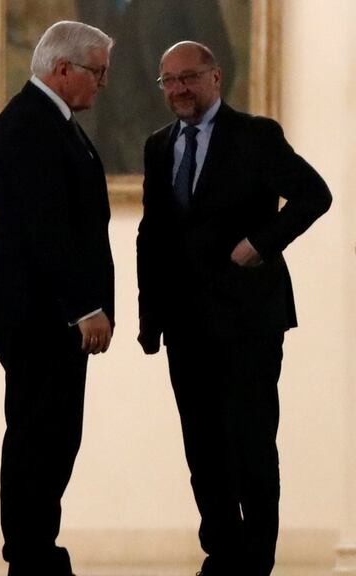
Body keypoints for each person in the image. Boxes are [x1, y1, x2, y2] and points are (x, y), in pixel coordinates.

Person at [136, 41, 332, 576]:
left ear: (215, 78)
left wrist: (261, 243)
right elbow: (151, 233)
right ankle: (221, 550)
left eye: (189, 78)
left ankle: (257, 560)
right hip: (184, 322)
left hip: (249, 319)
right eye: (168, 80)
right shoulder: (158, 146)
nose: (178, 89)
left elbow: (315, 194)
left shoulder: (256, 135)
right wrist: (148, 315)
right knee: (201, 444)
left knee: (250, 441)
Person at [0, 20, 115, 576]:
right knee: (41, 435)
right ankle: (30, 554)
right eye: (97, 72)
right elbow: (45, 229)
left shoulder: (48, 121)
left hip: (41, 310)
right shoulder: (34, 125)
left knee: (51, 435)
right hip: (39, 314)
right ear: (63, 69)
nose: (103, 83)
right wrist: (83, 305)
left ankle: (36, 547)